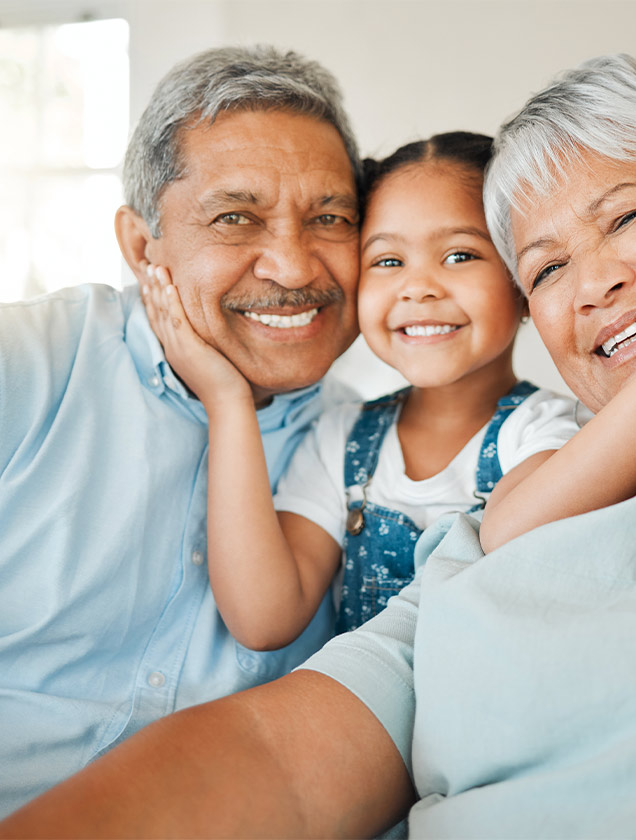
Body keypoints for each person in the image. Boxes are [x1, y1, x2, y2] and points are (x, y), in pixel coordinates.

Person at [0, 54, 636, 839]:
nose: (592, 284)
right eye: (549, 266)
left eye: (629, 217)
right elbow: (276, 756)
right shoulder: (471, 543)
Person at [0, 45, 363, 816]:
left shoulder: (367, 446)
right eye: (236, 218)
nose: (295, 267)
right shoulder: (26, 365)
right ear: (142, 247)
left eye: (330, 218)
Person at [138, 131, 581, 650]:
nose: (418, 287)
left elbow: (514, 542)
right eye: (388, 261)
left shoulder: (551, 431)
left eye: (460, 255)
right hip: (365, 723)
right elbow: (264, 619)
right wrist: (228, 401)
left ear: (523, 278)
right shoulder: (343, 438)